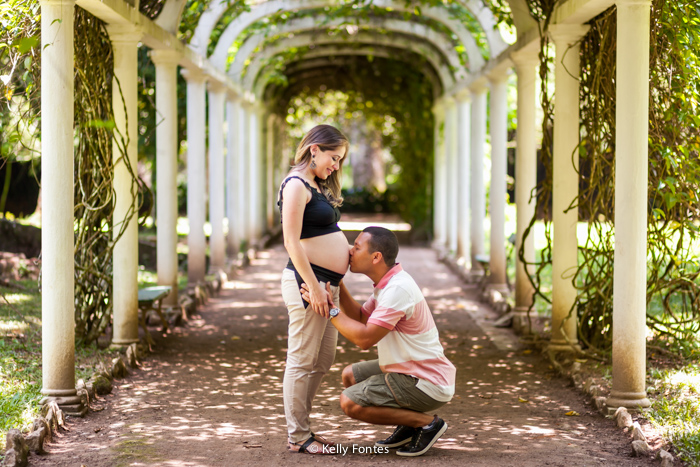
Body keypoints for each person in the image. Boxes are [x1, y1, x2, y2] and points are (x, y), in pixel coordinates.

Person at [302, 227, 456, 457]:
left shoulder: (398, 289)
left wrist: (330, 310)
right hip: (412, 368)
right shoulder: (387, 282)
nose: (350, 251)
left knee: (350, 403)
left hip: (426, 381)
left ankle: (426, 424)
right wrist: (338, 283)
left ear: (376, 257)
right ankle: (409, 424)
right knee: (350, 375)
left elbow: (364, 338)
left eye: (356, 246)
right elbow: (362, 318)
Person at [278, 124, 350, 454]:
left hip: (325, 285)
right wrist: (315, 287)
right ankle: (298, 436)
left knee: (322, 360)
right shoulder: (295, 184)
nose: (335, 166)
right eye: (334, 158)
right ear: (314, 149)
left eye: (340, 160)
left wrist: (333, 284)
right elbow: (291, 241)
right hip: (307, 285)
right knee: (301, 359)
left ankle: (303, 427)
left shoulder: (316, 185)